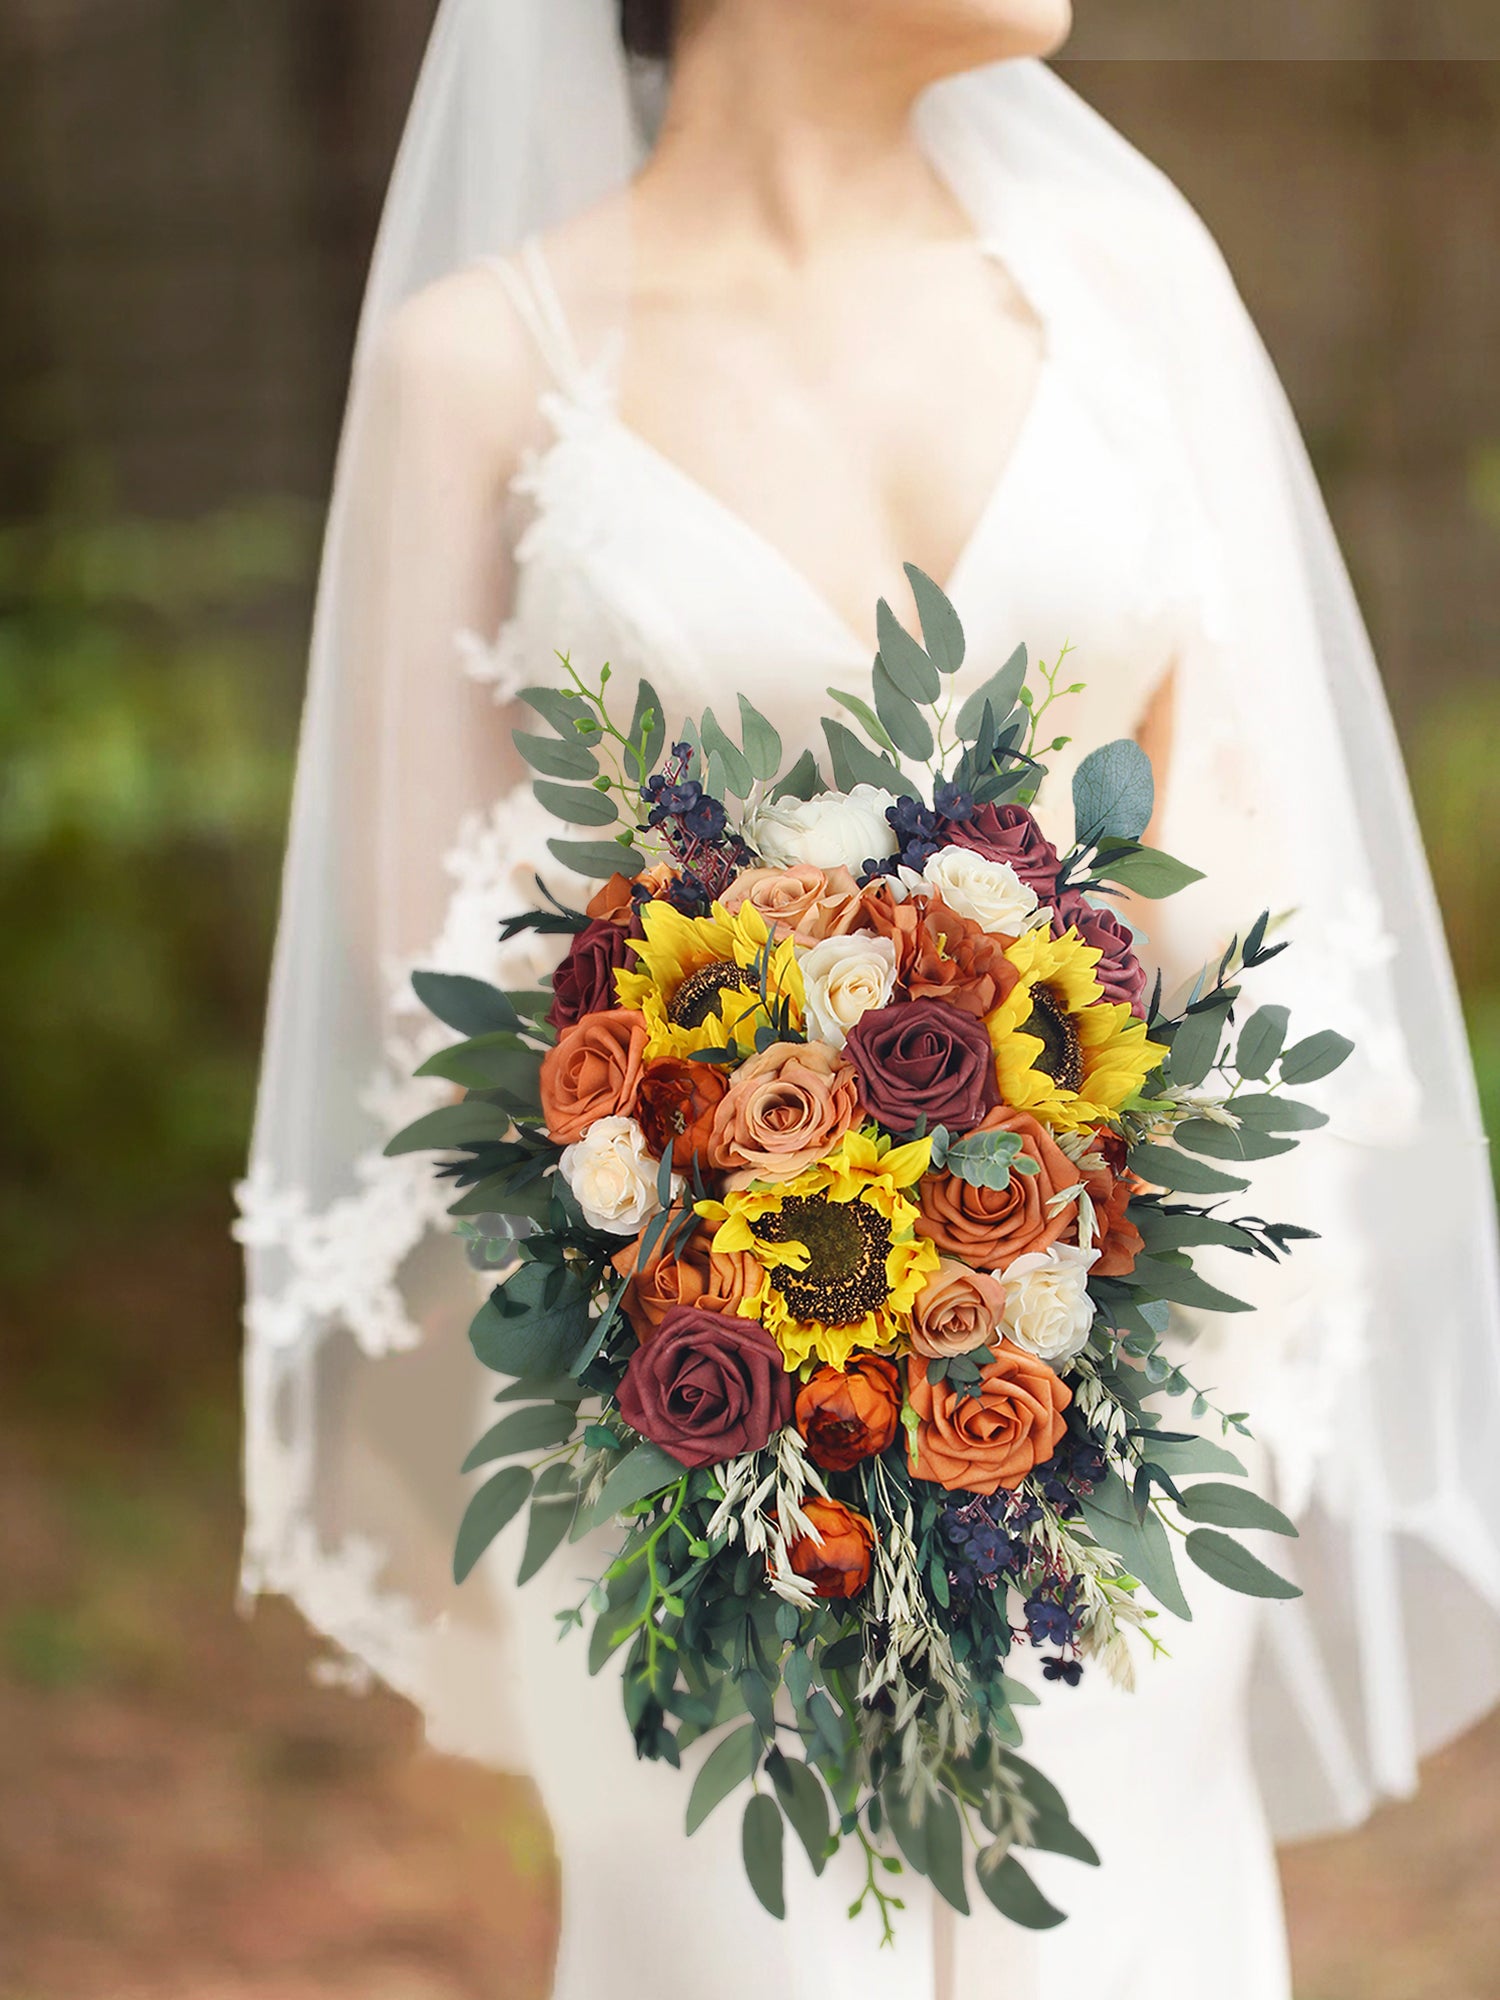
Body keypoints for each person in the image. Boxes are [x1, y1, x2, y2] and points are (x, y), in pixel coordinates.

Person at [237, 4, 1500, 1996]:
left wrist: (1065, 1236)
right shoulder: (479, 361)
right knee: (750, 1955)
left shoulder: (1125, 281)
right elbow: (439, 975)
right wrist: (720, 1239)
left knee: (1105, 1937)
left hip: (1128, 1355)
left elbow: (1255, 851)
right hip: (671, 1393)